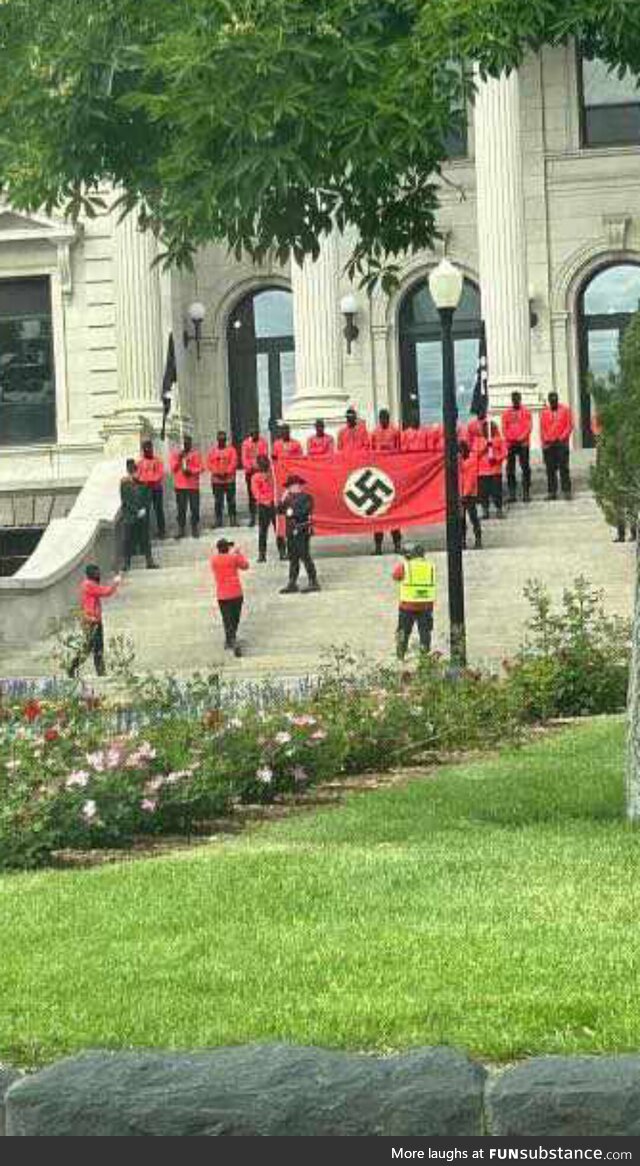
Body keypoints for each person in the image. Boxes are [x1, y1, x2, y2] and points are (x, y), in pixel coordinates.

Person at [68, 564, 121, 678]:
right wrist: (116, 582)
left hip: (93, 620)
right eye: (96, 572)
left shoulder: (88, 584)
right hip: (91, 621)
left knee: (93, 647)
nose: (98, 574)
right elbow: (106, 592)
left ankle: (97, 671)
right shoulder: (89, 585)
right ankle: (74, 668)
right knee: (93, 648)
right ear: (90, 574)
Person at [392, 544, 436, 660]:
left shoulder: (405, 566)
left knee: (403, 632)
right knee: (425, 632)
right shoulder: (430, 566)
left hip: (408, 606)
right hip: (426, 606)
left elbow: (396, 576)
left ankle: (400, 655)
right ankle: (424, 656)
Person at [278, 474, 320, 594]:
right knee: (293, 557)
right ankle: (292, 582)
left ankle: (313, 581)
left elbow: (304, 511)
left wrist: (290, 512)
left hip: (301, 530)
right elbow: (279, 510)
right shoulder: (287, 498)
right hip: (290, 531)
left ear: (299, 486)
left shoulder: (306, 497)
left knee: (305, 556)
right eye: (290, 486)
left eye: (294, 485)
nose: (292, 488)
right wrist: (283, 499)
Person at [209, 537, 249, 657]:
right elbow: (245, 566)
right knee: (235, 618)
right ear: (227, 548)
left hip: (222, 595)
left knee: (227, 619)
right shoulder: (234, 557)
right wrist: (238, 553)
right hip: (236, 593)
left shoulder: (214, 560)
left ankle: (230, 639)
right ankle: (232, 639)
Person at [370, 409, 402, 555]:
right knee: (378, 514)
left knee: (393, 512)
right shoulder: (374, 433)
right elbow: (371, 452)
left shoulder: (395, 431)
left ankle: (397, 544)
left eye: (386, 417)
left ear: (389, 418)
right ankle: (378, 546)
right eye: (381, 417)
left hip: (392, 474)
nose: (384, 420)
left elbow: (400, 450)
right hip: (378, 476)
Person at [120, 458, 159, 571]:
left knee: (145, 538)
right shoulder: (124, 484)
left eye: (135, 471)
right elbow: (125, 501)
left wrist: (144, 509)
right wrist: (136, 511)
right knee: (127, 540)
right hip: (130, 516)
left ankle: (149, 561)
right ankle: (126, 563)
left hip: (142, 515)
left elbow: (148, 498)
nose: (135, 474)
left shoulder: (143, 484)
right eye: (132, 472)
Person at [251, 454, 287, 562]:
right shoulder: (255, 477)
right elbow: (256, 493)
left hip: (275, 505)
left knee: (279, 530)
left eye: (265, 462)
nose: (263, 464)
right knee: (263, 531)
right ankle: (262, 554)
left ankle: (282, 552)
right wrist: (265, 501)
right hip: (264, 507)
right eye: (261, 462)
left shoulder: (274, 475)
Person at [540, 392, 573, 501]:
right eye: (551, 400)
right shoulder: (544, 413)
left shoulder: (565, 410)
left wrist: (562, 437)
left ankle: (567, 491)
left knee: (564, 468)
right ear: (549, 401)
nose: (553, 402)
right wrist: (545, 441)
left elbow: (569, 425)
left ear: (558, 399)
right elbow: (542, 428)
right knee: (550, 469)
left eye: (555, 399)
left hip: (561, 443)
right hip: (549, 444)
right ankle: (552, 492)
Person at [169, 435, 204, 538]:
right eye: (184, 443)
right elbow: (173, 468)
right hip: (180, 486)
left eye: (188, 443)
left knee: (195, 508)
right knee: (181, 509)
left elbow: (201, 468)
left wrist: (191, 471)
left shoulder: (196, 454)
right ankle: (181, 529)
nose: (186, 445)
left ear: (191, 444)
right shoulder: (176, 455)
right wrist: (179, 459)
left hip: (193, 486)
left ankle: (194, 528)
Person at [502, 391, 533, 503]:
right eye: (513, 399)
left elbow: (529, 427)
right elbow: (504, 428)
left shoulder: (526, 412)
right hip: (511, 444)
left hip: (523, 443)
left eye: (517, 399)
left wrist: (521, 437)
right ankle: (512, 494)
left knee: (525, 468)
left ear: (520, 399)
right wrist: (511, 438)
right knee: (510, 469)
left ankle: (526, 492)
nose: (515, 401)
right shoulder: (506, 413)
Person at [207, 431, 239, 527]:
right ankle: (218, 520)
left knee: (231, 500)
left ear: (225, 440)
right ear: (217, 440)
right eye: (220, 439)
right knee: (218, 501)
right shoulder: (212, 451)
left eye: (223, 439)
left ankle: (233, 519)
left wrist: (226, 472)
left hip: (229, 479)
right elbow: (209, 463)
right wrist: (218, 472)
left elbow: (234, 462)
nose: (222, 441)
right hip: (217, 480)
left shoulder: (231, 450)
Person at [136, 439, 166, 538]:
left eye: (149, 448)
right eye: (145, 448)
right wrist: (147, 480)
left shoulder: (158, 461)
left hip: (156, 489)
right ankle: (145, 532)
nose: (148, 450)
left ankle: (162, 531)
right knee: (146, 511)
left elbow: (160, 474)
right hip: (145, 490)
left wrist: (147, 480)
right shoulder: (140, 463)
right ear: (143, 450)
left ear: (152, 449)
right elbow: (138, 476)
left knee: (159, 510)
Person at [477, 418, 506, 519]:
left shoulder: (499, 439)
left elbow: (504, 453)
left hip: (495, 471)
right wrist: (485, 447)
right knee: (483, 493)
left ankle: (499, 510)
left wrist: (496, 459)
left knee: (497, 492)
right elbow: (475, 454)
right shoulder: (479, 441)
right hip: (482, 472)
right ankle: (485, 511)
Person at [241, 430, 269, 527]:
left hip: (262, 471)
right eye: (253, 435)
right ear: (250, 435)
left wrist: (260, 467)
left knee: (264, 492)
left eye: (257, 434)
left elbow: (264, 455)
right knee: (251, 494)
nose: (255, 436)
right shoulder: (245, 444)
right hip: (250, 472)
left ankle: (264, 515)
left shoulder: (263, 442)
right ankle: (252, 516)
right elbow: (244, 458)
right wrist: (251, 467)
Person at [458, 440, 482, 550]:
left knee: (473, 517)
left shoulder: (471, 461)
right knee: (461, 519)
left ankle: (478, 539)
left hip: (469, 494)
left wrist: (465, 494)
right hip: (461, 494)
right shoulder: (460, 462)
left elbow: (470, 480)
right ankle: (462, 540)